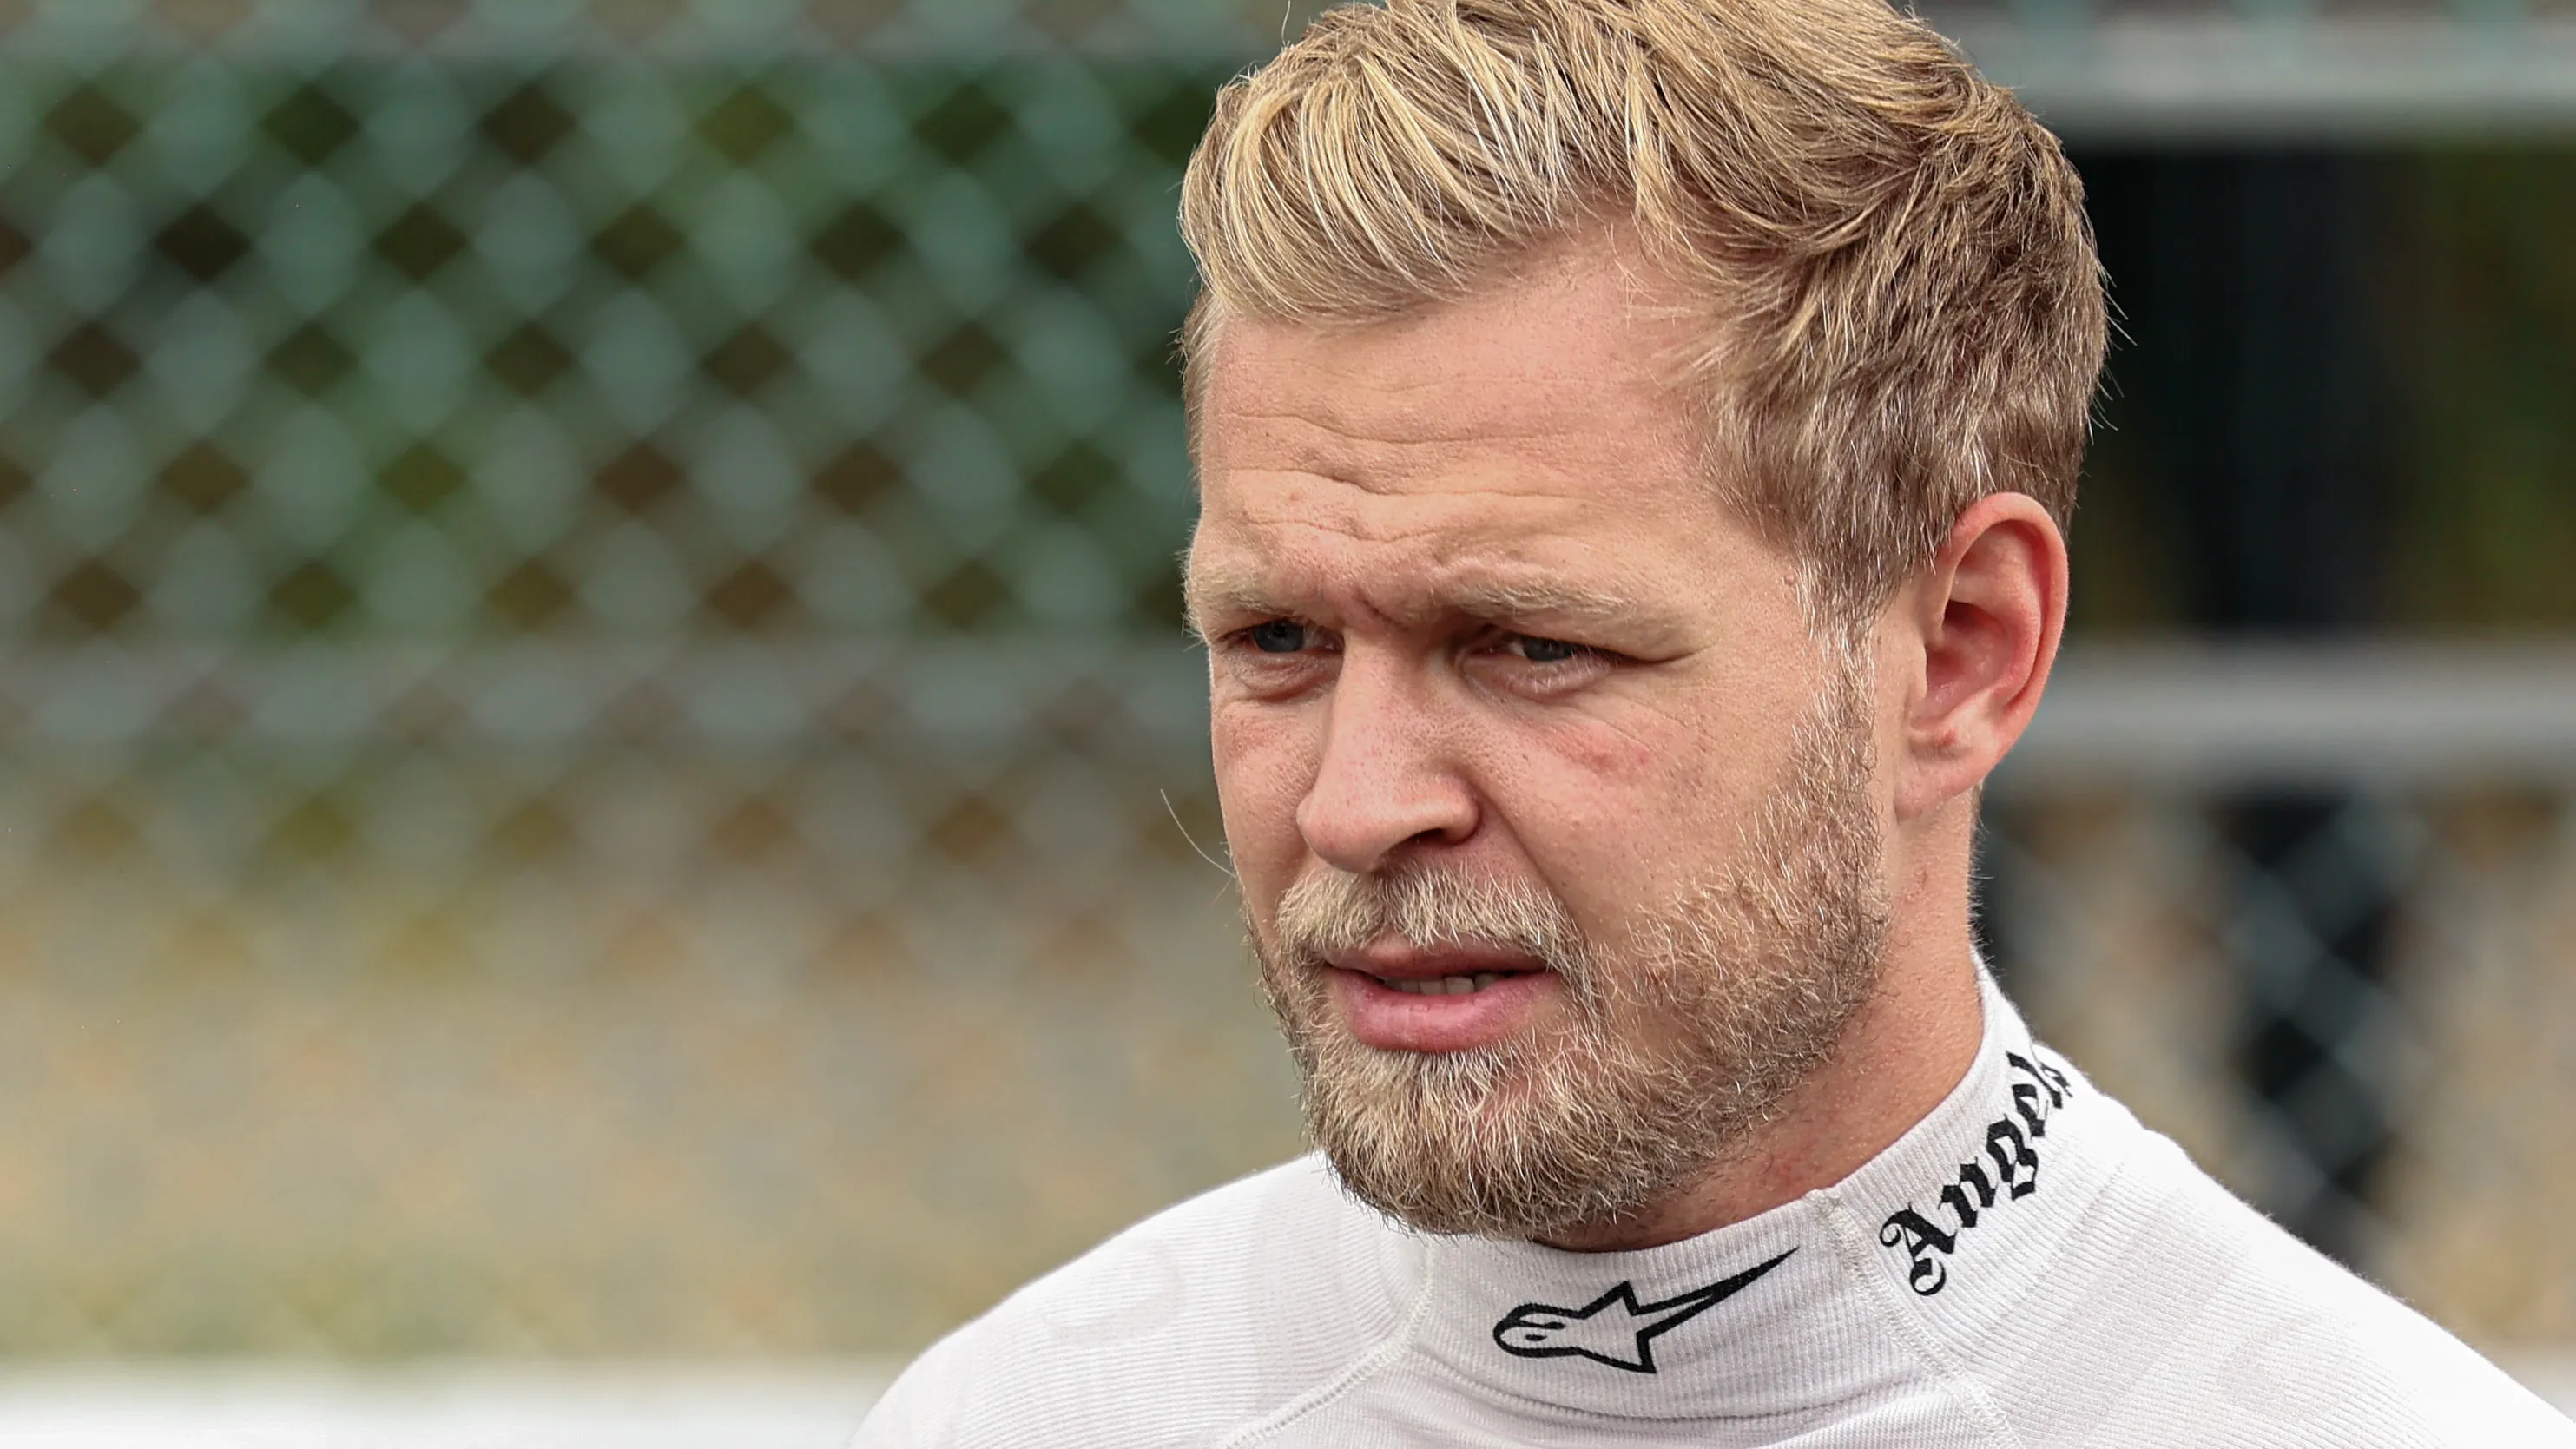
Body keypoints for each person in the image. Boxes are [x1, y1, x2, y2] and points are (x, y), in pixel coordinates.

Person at [854, 0, 2576, 1443]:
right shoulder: (1025, 1416)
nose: (1355, 807)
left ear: (1959, 655)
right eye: (1278, 639)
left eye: (1530, 646)